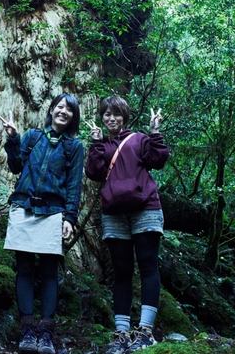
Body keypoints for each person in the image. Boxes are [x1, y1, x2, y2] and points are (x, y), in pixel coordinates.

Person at [0, 93, 85, 354]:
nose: (63, 112)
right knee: (24, 269)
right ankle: (27, 329)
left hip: (53, 211)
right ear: (51, 109)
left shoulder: (74, 146)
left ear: (73, 117)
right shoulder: (33, 137)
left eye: (69, 110)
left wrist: (70, 218)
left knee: (48, 272)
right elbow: (15, 167)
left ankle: (45, 332)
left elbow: (74, 185)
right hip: (24, 207)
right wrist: (13, 138)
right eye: (60, 107)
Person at [85, 95, 169, 354]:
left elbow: (159, 160)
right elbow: (94, 172)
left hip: (145, 208)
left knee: (147, 266)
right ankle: (121, 334)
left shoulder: (139, 139)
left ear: (125, 116)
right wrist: (97, 144)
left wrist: (155, 132)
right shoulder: (102, 144)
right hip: (114, 213)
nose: (111, 118)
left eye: (116, 114)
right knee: (121, 271)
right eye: (107, 114)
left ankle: (145, 332)